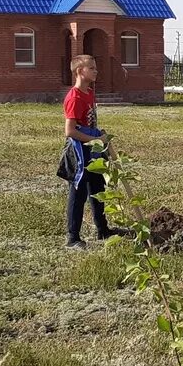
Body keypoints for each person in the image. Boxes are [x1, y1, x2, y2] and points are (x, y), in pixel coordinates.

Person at [60, 54, 118, 250]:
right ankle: (73, 237)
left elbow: (90, 121)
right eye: (91, 68)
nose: (96, 71)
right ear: (79, 71)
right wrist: (95, 139)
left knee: (98, 188)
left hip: (93, 148)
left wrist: (100, 135)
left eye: (95, 67)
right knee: (79, 192)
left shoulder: (89, 93)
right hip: (80, 151)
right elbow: (70, 131)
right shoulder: (74, 97)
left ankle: (103, 229)